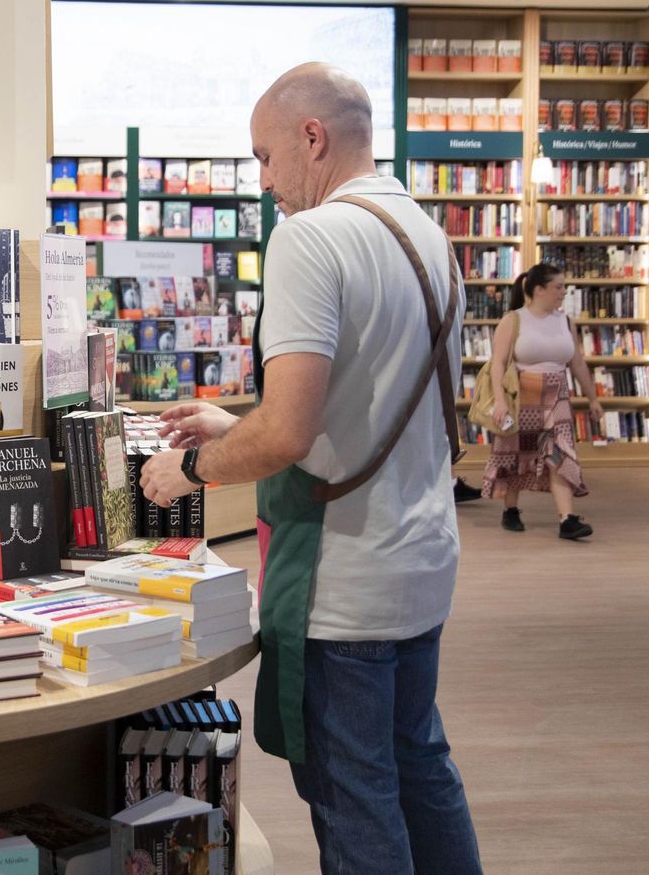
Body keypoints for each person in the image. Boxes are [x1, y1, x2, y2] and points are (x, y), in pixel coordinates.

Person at [140, 62, 481, 874]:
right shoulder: (427, 235)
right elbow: (370, 398)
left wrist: (190, 472)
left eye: (264, 157)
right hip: (422, 558)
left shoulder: (310, 236)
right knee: (420, 767)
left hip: (346, 583)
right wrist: (238, 422)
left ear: (313, 139)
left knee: (354, 794)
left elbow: (290, 435)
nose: (264, 183)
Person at [481, 263, 604, 539]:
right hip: (522, 396)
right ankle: (511, 510)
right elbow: (497, 365)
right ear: (539, 290)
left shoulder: (566, 322)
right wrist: (499, 402)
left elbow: (578, 363)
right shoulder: (513, 320)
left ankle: (566, 519)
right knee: (515, 454)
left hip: (557, 397)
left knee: (560, 453)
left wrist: (593, 398)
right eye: (558, 286)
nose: (563, 292)